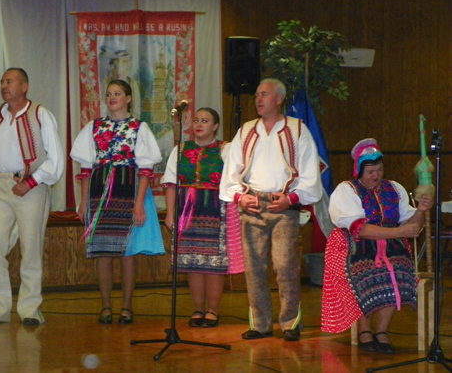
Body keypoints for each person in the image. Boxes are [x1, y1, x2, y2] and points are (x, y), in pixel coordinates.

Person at [220, 78, 322, 341]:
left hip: (283, 205)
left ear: (279, 99)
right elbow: (231, 171)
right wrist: (240, 197)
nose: (258, 99)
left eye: (264, 94)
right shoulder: (246, 130)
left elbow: (311, 173)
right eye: (256, 95)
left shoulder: (297, 129)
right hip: (252, 204)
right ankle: (261, 324)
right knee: (253, 268)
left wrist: (292, 198)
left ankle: (290, 323)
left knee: (285, 265)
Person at [321, 138, 433, 354]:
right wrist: (398, 232)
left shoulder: (394, 188)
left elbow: (412, 225)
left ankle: (381, 331)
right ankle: (364, 329)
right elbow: (359, 229)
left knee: (400, 272)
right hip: (352, 247)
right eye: (371, 171)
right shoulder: (347, 190)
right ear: (359, 171)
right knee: (365, 273)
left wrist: (420, 210)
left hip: (391, 247)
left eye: (379, 170)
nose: (376, 175)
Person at [71, 79, 164, 325]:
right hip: (99, 192)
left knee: (127, 252)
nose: (112, 97)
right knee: (103, 252)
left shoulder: (138, 128)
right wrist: (83, 202)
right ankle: (105, 306)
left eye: (118, 93)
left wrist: (139, 203)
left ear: (128, 98)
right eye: (109, 93)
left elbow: (146, 170)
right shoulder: (94, 126)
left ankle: (127, 306)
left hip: (127, 189)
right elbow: (85, 168)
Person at [0, 67, 64, 326]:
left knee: (30, 249)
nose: (4, 85)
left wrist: (31, 181)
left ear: (24, 86)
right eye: (2, 81)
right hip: (1, 187)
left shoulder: (40, 114)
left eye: (10, 81)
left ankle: (30, 309)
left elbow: (55, 161)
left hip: (31, 188)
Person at [161, 108, 244, 328]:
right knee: (192, 262)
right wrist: (170, 213)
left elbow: (236, 180)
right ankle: (197, 309)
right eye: (196, 120)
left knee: (214, 263)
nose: (199, 124)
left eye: (205, 121)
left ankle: (212, 311)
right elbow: (170, 183)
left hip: (216, 209)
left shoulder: (225, 149)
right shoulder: (180, 150)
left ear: (215, 126)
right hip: (186, 209)